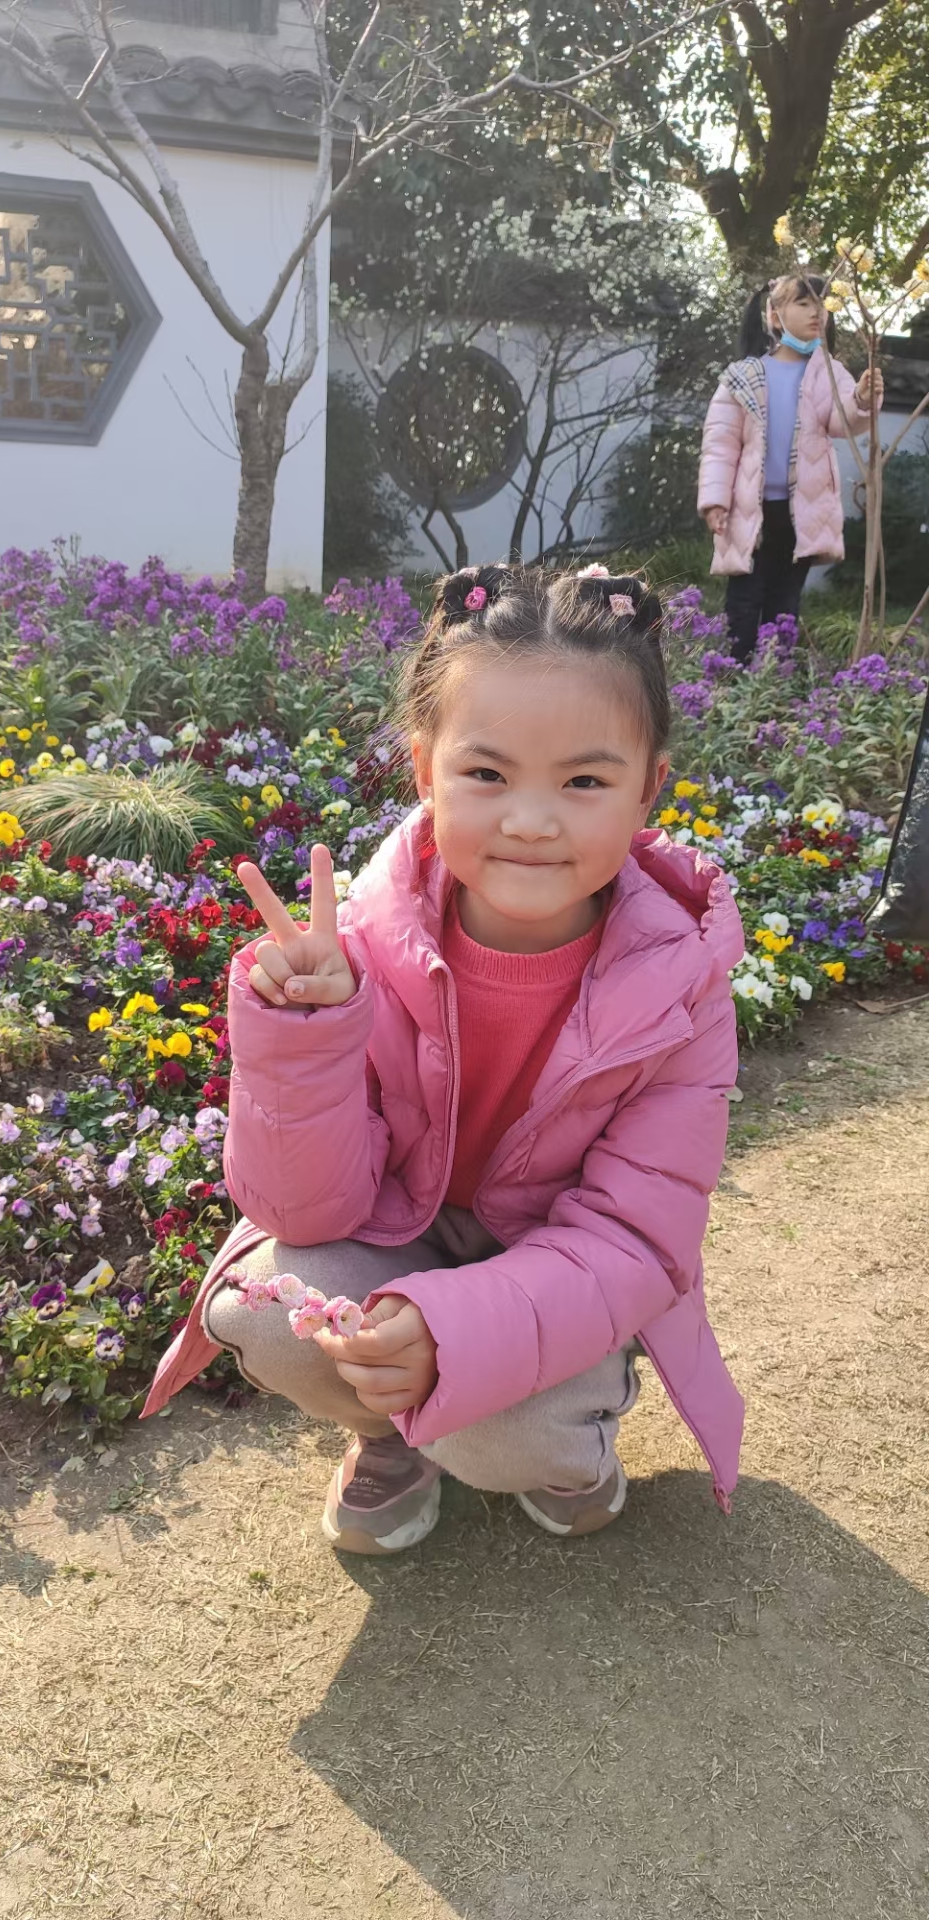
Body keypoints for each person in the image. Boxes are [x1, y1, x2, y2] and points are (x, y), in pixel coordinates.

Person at [143, 565, 746, 1554]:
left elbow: (636, 1241)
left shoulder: (681, 986)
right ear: (425, 770)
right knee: (265, 1309)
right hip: (401, 1235)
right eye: (487, 775)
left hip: (559, 1274)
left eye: (585, 781)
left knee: (506, 1437)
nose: (531, 820)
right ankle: (392, 1434)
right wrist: (303, 1041)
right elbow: (304, 1216)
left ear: (650, 788)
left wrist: (453, 1332)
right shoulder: (363, 947)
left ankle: (569, 1441)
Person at [698, 275, 883, 665]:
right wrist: (715, 501)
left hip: (803, 511)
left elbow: (842, 420)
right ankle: (731, 675)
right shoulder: (743, 376)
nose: (817, 312)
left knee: (785, 601)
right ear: (775, 315)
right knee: (744, 599)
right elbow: (720, 444)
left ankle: (775, 678)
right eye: (804, 303)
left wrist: (863, 399)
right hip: (750, 511)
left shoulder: (828, 372)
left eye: (823, 304)